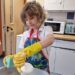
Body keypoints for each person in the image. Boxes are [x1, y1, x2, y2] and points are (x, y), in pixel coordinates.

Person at [4, 1, 54, 74]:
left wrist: (31, 49)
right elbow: (20, 52)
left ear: (39, 16)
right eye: (26, 20)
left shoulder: (46, 30)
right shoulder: (25, 34)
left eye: (31, 18)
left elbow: (50, 39)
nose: (29, 22)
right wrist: (12, 59)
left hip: (42, 69)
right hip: (27, 68)